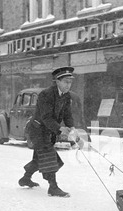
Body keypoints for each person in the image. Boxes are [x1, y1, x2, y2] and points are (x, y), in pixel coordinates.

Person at [18, 66, 79, 198]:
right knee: (50, 157)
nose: (68, 85)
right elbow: (46, 117)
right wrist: (60, 128)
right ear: (57, 81)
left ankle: (25, 178)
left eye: (70, 82)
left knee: (40, 158)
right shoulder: (46, 94)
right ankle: (53, 187)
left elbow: (67, 114)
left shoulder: (66, 96)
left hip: (48, 131)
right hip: (37, 130)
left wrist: (72, 128)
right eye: (66, 82)